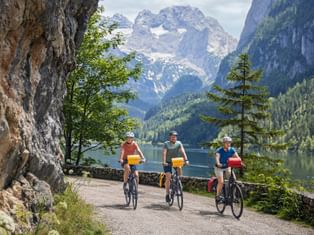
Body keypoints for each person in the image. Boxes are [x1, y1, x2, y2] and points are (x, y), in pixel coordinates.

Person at [162, 130, 189, 203]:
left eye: (175, 137)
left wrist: (186, 160)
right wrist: (164, 162)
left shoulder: (179, 143)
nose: (174, 138)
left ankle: (178, 182)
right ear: (170, 137)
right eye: (172, 137)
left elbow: (183, 151)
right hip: (167, 162)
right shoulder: (166, 144)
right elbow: (164, 153)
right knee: (168, 177)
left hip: (175, 161)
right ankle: (167, 194)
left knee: (179, 168)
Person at [215, 136, 241, 201]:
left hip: (227, 167)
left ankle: (233, 196)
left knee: (233, 180)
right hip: (219, 167)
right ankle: (218, 196)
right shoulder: (219, 150)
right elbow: (217, 157)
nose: (228, 144)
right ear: (223, 143)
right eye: (226, 143)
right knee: (221, 182)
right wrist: (218, 163)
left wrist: (240, 162)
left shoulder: (232, 150)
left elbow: (237, 157)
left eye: (229, 142)